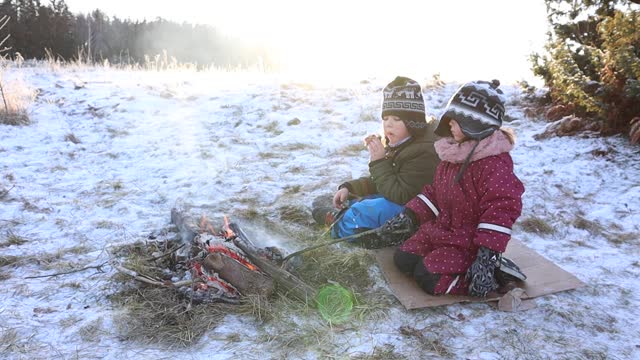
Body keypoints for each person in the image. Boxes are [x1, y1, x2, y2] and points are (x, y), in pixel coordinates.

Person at [379, 79, 526, 297]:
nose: (449, 125)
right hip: (442, 229)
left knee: (429, 277)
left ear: (474, 124)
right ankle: (446, 263)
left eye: (455, 121)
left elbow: (501, 210)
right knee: (403, 259)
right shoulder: (452, 155)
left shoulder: (493, 166)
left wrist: (487, 254)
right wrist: (410, 215)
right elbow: (435, 193)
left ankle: (491, 277)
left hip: (469, 242)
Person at [312, 76, 439, 240]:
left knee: (373, 207)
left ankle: (340, 227)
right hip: (397, 199)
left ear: (413, 122)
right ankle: (349, 208)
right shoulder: (403, 142)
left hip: (413, 214)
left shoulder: (425, 150)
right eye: (385, 118)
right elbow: (383, 181)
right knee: (365, 201)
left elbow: (400, 195)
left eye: (397, 119)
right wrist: (350, 187)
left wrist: (379, 162)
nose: (388, 124)